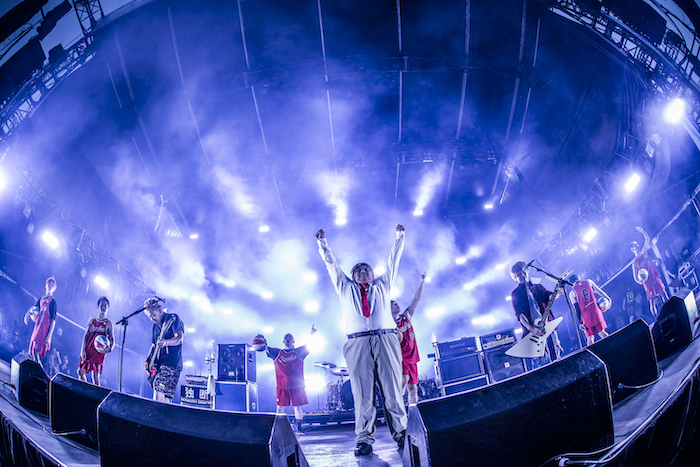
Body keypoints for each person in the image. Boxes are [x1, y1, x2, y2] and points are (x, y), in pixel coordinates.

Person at [316, 225, 407, 456]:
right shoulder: (345, 287)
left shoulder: (383, 285)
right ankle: (364, 439)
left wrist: (399, 237)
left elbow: (393, 261)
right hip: (357, 343)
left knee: (392, 390)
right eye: (358, 270)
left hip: (385, 339)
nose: (363, 272)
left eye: (367, 269)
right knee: (362, 393)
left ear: (373, 274)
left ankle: (402, 434)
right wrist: (323, 244)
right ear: (352, 275)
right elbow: (332, 266)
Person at [255, 325, 316, 434]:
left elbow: (309, 344)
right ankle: (279, 429)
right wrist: (262, 340)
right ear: (283, 341)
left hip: (297, 386)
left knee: (297, 407)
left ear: (293, 341)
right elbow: (266, 348)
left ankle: (299, 428)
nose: (288, 339)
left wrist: (311, 334)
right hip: (282, 386)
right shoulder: (277, 353)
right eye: (286, 338)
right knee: (279, 409)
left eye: (290, 338)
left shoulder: (299, 352)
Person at [510, 261, 564, 370]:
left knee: (556, 355)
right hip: (533, 331)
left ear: (527, 270)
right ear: (515, 277)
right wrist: (531, 328)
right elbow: (520, 315)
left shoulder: (537, 287)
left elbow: (548, 296)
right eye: (518, 274)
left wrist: (560, 293)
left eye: (523, 272)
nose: (522, 275)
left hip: (547, 325)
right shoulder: (515, 294)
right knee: (541, 362)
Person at [391, 272, 426, 405]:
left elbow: (416, 298)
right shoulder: (389, 325)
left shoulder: (407, 316)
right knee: (403, 382)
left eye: (397, 303)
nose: (397, 305)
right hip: (401, 358)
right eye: (393, 304)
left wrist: (422, 281)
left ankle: (413, 410)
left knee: (413, 388)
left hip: (412, 357)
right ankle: (399, 410)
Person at [144, 297, 184, 403]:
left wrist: (166, 342)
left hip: (172, 363)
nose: (152, 318)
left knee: (158, 386)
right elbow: (153, 345)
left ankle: (155, 412)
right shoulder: (155, 326)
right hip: (159, 364)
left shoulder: (172, 319)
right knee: (165, 398)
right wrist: (148, 360)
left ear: (160, 309)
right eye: (149, 317)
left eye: (153, 315)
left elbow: (179, 339)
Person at [631, 226, 668, 319]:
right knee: (652, 301)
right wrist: (640, 281)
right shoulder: (635, 262)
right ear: (632, 249)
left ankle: (669, 308)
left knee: (663, 293)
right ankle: (656, 318)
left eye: (636, 245)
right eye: (634, 246)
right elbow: (635, 277)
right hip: (647, 281)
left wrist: (642, 231)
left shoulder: (644, 251)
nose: (637, 246)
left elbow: (647, 238)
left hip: (654, 276)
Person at [77, 296, 114, 386]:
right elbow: (86, 336)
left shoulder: (108, 323)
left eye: (105, 306)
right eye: (101, 305)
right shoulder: (92, 320)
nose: (103, 307)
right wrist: (82, 350)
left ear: (108, 308)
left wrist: (110, 348)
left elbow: (112, 339)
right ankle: (85, 390)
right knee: (80, 372)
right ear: (98, 306)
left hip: (98, 352)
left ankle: (96, 394)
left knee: (95, 378)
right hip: (88, 350)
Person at [23, 277, 58, 370]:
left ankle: (40, 373)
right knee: (31, 352)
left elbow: (53, 320)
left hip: (43, 331)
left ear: (54, 288)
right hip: (37, 328)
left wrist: (48, 336)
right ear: (46, 285)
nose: (50, 286)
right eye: (49, 284)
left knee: (36, 353)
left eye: (52, 285)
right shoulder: (41, 299)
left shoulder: (52, 302)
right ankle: (36, 371)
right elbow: (33, 308)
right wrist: (27, 314)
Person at [568, 274, 611, 346]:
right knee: (602, 333)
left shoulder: (572, 292)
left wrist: (580, 322)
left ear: (571, 283)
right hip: (596, 312)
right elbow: (599, 291)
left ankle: (592, 353)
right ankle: (613, 345)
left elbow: (576, 308)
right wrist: (608, 299)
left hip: (586, 316)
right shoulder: (588, 281)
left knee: (590, 338)